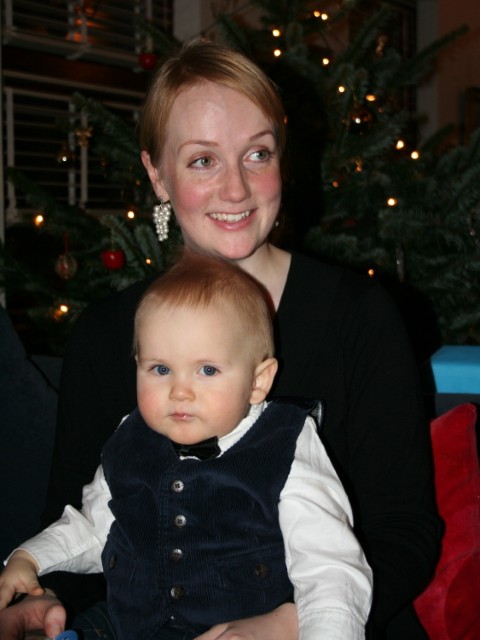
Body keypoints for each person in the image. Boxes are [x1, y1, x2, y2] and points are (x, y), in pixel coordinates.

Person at [0, 37, 441, 640]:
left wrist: (288, 624)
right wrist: (46, 599)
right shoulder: (105, 336)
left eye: (257, 154)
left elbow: (405, 534)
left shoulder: (359, 316)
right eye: (202, 160)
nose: (236, 189)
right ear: (157, 173)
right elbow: (91, 527)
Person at [0, 251, 373, 639]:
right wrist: (30, 557)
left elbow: (329, 566)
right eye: (160, 369)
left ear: (258, 381)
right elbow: (95, 526)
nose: (180, 391)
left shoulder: (285, 443)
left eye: (207, 370)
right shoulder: (130, 438)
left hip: (240, 630)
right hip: (127, 624)